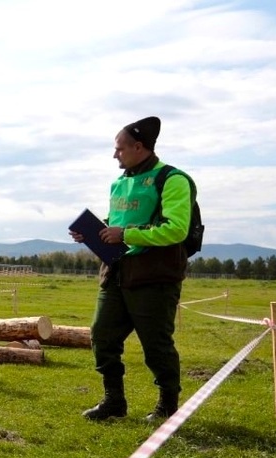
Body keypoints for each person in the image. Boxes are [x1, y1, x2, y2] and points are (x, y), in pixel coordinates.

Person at [70, 116, 196, 422]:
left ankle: (167, 406)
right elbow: (119, 222)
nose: (115, 154)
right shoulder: (119, 183)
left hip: (154, 276)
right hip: (115, 272)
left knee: (156, 345)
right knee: (102, 336)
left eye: (119, 148)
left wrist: (125, 234)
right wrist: (95, 231)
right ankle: (114, 401)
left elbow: (176, 229)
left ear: (138, 147)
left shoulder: (173, 179)